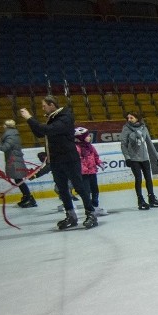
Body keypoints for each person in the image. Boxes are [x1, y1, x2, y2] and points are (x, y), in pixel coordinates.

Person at [20, 95, 98, 230]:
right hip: (56, 160)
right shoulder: (52, 118)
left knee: (79, 187)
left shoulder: (65, 117)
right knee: (63, 190)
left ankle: (91, 214)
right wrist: (30, 122)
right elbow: (40, 133)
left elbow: (48, 130)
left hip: (69, 159)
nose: (42, 108)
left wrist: (29, 118)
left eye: (44, 105)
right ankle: (71, 216)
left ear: (51, 104)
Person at [119, 111, 158, 210]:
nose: (129, 120)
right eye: (128, 118)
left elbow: (149, 143)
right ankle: (140, 200)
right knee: (138, 179)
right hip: (134, 159)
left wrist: (157, 157)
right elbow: (123, 144)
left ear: (137, 118)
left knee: (148, 178)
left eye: (131, 118)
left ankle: (152, 198)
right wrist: (127, 158)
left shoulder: (143, 128)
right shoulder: (126, 129)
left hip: (145, 158)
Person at [0, 119, 36, 208]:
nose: (3, 126)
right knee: (18, 180)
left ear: (6, 126)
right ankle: (27, 197)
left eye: (4, 125)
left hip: (14, 161)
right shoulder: (12, 135)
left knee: (19, 180)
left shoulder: (10, 136)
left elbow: (4, 148)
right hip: (14, 160)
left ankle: (29, 198)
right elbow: (7, 146)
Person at [74, 126, 107, 216]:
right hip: (83, 174)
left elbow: (96, 157)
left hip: (92, 171)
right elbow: (75, 161)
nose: (89, 137)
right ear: (80, 137)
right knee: (86, 191)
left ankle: (95, 206)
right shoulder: (76, 148)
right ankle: (89, 209)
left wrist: (99, 163)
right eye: (87, 136)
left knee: (95, 190)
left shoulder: (90, 147)